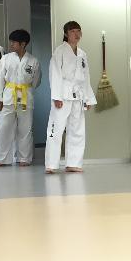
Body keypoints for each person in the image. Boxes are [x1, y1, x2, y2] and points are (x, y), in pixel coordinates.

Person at [45, 20, 96, 173]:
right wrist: (56, 96)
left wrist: (88, 98)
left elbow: (86, 78)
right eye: (73, 31)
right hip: (63, 94)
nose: (76, 34)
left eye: (78, 31)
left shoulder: (82, 54)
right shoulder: (60, 51)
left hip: (78, 96)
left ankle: (73, 163)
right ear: (66, 34)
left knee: (77, 130)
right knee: (56, 129)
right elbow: (55, 74)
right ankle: (51, 164)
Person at [0, 29, 40, 167]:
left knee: (25, 129)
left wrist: (26, 86)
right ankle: (1, 159)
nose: (11, 44)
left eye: (14, 42)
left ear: (23, 44)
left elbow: (36, 81)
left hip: (25, 96)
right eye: (11, 41)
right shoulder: (6, 59)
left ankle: (24, 158)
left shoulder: (33, 61)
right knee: (4, 128)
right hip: (9, 96)